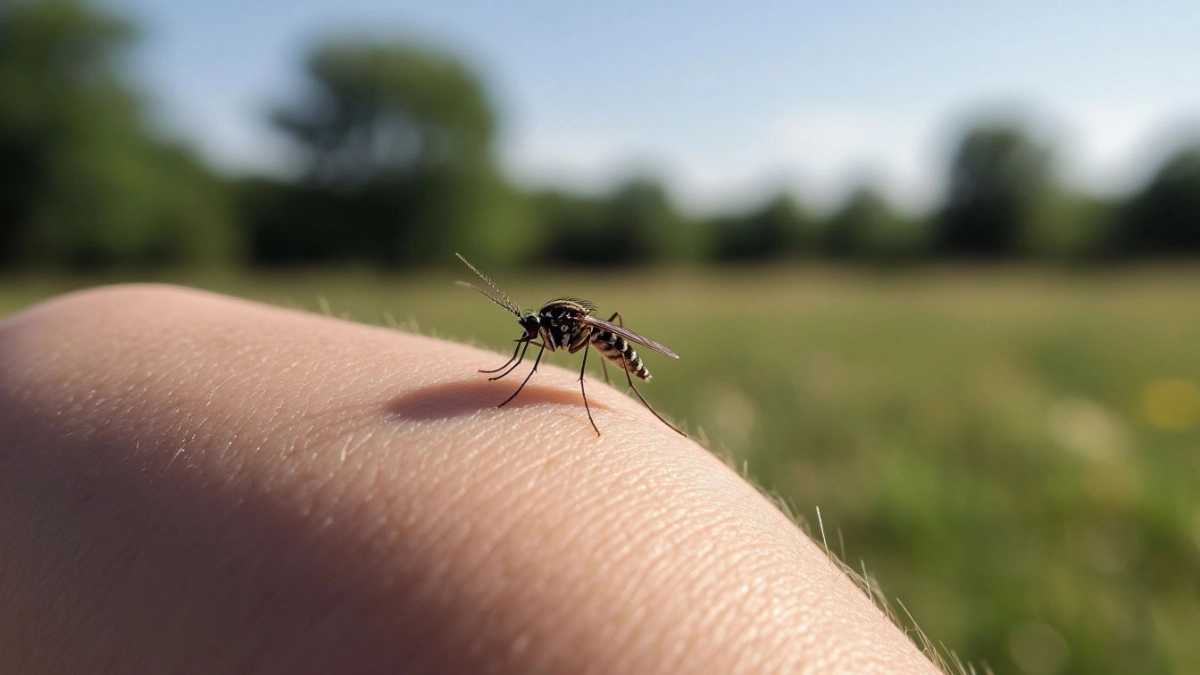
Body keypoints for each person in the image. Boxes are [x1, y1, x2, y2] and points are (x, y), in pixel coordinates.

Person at [0, 285, 938, 674]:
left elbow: (575, 342)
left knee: (590, 371)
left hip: (611, 384)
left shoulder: (579, 341)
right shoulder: (540, 324)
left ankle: (617, 398)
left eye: (541, 332)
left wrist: (589, 372)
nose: (535, 336)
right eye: (537, 334)